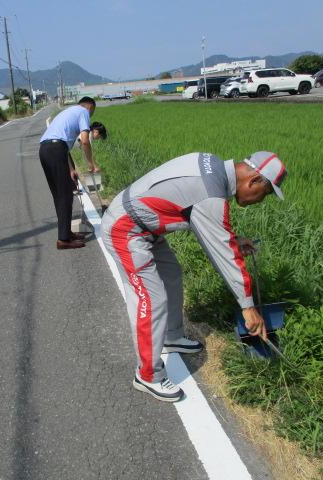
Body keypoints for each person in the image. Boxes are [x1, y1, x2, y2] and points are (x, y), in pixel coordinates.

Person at [101, 151, 287, 402]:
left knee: (172, 276)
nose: (260, 201)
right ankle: (147, 375)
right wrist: (248, 307)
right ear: (254, 181)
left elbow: (212, 229)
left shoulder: (212, 167)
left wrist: (234, 241)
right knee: (150, 299)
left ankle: (171, 336)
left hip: (145, 227)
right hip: (125, 229)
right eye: (264, 195)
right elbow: (223, 253)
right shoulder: (211, 194)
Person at [39, 97, 100, 250]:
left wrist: (71, 169)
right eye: (92, 112)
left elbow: (61, 142)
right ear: (90, 107)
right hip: (56, 150)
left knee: (61, 194)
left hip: (47, 150)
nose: (91, 115)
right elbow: (85, 141)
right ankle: (63, 240)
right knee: (64, 195)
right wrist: (91, 164)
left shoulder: (69, 112)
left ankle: (67, 233)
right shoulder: (83, 112)